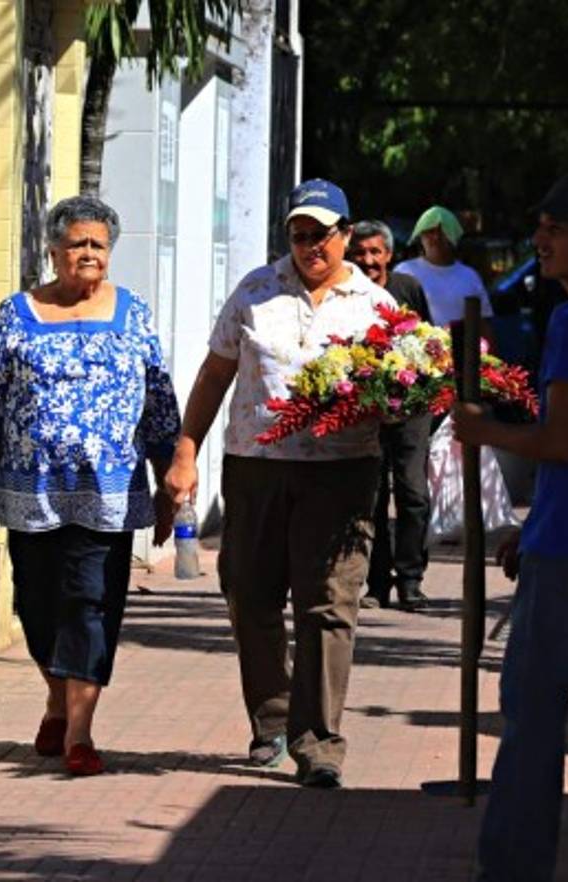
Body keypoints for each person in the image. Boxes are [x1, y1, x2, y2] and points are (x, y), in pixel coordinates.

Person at [167, 179, 396, 789]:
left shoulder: (376, 306)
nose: (309, 245)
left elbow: (405, 389)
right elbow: (216, 374)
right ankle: (271, 722)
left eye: (320, 234)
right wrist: (186, 451)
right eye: (298, 234)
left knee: (328, 602)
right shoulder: (255, 290)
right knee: (249, 591)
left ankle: (318, 743)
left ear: (345, 234)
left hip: (341, 473)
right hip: (256, 468)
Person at [0, 195, 181, 777]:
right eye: (76, 243)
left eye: (97, 245)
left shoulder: (133, 313)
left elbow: (158, 403)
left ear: (110, 253)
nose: (86, 253)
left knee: (90, 602)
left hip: (108, 491)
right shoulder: (17, 312)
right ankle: (56, 698)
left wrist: (170, 477)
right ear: (52, 250)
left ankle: (79, 733)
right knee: (36, 603)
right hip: (30, 491)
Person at [453, 174, 568, 882]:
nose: (541, 241)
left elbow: (563, 441)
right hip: (556, 536)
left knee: (530, 721)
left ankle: (512, 867)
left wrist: (482, 427)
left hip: (567, 557)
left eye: (556, 229)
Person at [348, 220, 434, 611]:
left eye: (375, 252)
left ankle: (411, 579)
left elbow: (426, 341)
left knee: (413, 492)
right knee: (374, 497)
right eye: (360, 253)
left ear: (389, 255)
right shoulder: (346, 293)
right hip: (369, 410)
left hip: (411, 407)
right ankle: (378, 583)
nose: (368, 261)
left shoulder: (407, 289)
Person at [396, 205, 498, 348]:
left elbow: (483, 325)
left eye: (443, 231)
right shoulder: (405, 271)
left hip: (461, 361)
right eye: (430, 231)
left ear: (454, 235)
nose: (436, 237)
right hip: (416, 361)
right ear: (420, 236)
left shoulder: (469, 276)